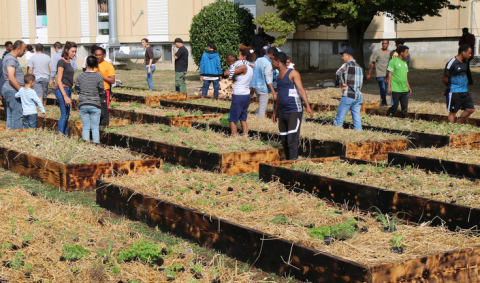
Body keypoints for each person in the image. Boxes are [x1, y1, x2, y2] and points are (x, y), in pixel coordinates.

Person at [272, 52, 313, 160]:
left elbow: (301, 90)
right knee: (284, 140)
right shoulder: (278, 77)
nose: (271, 63)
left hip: (294, 111)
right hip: (282, 112)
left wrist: (308, 106)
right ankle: (287, 163)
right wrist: (275, 112)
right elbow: (279, 95)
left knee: (292, 140)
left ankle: (293, 164)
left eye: (272, 61)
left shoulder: (293, 73)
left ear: (278, 62)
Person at [225, 47, 255, 136]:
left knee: (232, 118)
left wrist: (231, 65)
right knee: (243, 117)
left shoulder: (243, 67)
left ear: (244, 57)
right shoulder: (250, 67)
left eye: (239, 55)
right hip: (246, 95)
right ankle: (245, 135)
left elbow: (227, 73)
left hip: (239, 95)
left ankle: (234, 136)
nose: (237, 58)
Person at [442, 44, 475, 124]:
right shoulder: (452, 63)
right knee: (453, 112)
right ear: (463, 52)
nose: (470, 55)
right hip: (454, 91)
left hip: (464, 91)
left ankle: (457, 124)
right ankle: (450, 130)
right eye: (469, 53)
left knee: (470, 109)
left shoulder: (465, 62)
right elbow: (444, 79)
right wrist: (449, 88)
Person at [333, 48, 364, 131]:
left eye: (343, 56)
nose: (342, 58)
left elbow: (338, 73)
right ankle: (359, 134)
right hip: (358, 96)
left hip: (348, 95)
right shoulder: (360, 67)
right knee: (357, 119)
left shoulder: (347, 65)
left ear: (348, 56)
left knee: (339, 119)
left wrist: (342, 83)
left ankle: (336, 134)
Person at [75, 56, 104, 143]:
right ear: (96, 65)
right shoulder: (98, 77)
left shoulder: (80, 75)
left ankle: (86, 145)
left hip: (83, 103)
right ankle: (96, 145)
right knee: (95, 127)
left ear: (86, 63)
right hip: (95, 104)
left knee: (86, 126)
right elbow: (102, 91)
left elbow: (76, 89)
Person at [2, 40, 26, 129]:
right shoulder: (11, 59)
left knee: (11, 115)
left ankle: (11, 136)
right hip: (12, 91)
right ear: (18, 49)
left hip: (10, 90)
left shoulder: (11, 58)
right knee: (17, 115)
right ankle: (17, 136)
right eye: (23, 50)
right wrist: (21, 89)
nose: (24, 52)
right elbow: (11, 77)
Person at [55, 41, 77, 135]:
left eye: (75, 52)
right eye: (72, 51)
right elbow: (59, 79)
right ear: (66, 50)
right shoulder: (61, 62)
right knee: (64, 114)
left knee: (67, 114)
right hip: (62, 90)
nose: (74, 54)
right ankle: (60, 135)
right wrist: (65, 96)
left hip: (68, 89)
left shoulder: (69, 62)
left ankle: (65, 135)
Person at [250, 47, 278, 118]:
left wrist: (252, 88)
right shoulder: (268, 64)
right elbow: (268, 80)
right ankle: (260, 121)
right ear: (272, 54)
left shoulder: (259, 59)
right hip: (263, 88)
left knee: (261, 105)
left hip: (256, 86)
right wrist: (274, 92)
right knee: (263, 108)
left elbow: (253, 73)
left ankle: (256, 118)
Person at [386, 45, 412, 118]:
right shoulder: (393, 61)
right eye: (406, 53)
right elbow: (390, 74)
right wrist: (389, 87)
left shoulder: (405, 63)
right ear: (401, 53)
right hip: (396, 88)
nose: (408, 54)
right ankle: (388, 115)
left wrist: (409, 87)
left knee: (405, 106)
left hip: (404, 89)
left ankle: (404, 118)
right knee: (395, 106)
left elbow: (405, 77)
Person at [94, 47, 115, 127]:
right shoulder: (92, 64)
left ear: (104, 55)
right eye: (96, 55)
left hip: (104, 90)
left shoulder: (108, 66)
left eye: (99, 55)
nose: (98, 57)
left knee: (104, 110)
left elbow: (112, 80)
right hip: (94, 90)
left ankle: (104, 126)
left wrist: (101, 76)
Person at [367, 40, 390, 106]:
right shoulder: (377, 52)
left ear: (388, 44)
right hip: (380, 74)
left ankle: (382, 101)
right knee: (382, 89)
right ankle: (384, 104)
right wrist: (369, 73)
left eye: (385, 43)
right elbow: (372, 63)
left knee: (385, 90)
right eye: (383, 43)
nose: (384, 45)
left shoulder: (390, 53)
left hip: (387, 74)